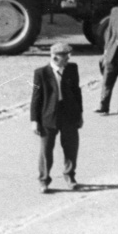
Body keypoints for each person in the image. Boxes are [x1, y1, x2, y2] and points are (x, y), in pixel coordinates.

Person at [32, 42, 83, 192]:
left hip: (69, 115)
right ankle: (44, 180)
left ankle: (70, 176)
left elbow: (77, 93)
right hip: (48, 117)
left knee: (71, 148)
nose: (68, 58)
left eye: (69, 55)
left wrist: (80, 114)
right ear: (54, 57)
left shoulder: (72, 69)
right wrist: (34, 120)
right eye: (65, 56)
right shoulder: (40, 73)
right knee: (46, 151)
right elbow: (36, 97)